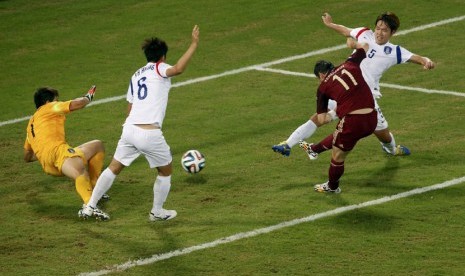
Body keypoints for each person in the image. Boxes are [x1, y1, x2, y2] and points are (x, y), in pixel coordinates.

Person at [272, 12, 435, 158]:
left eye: (384, 30)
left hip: (366, 98)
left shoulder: (394, 51)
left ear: (393, 32)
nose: (379, 32)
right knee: (320, 118)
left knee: (383, 134)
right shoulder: (365, 33)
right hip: (345, 91)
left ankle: (391, 150)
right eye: (378, 28)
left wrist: (426, 62)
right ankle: (288, 144)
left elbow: (417, 58)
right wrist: (330, 24)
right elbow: (346, 30)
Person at [80, 25, 200, 221]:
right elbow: (178, 69)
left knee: (114, 167)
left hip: (129, 129)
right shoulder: (160, 68)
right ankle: (157, 211)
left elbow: (130, 106)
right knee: (166, 170)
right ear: (163, 56)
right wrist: (194, 44)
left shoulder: (136, 75)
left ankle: (90, 206)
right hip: (149, 132)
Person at [24, 86, 109, 219]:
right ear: (48, 102)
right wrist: (88, 97)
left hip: (47, 164)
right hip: (58, 152)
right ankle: (90, 205)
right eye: (56, 100)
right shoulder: (49, 108)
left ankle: (94, 188)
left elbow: (27, 157)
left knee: (97, 146)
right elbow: (78, 103)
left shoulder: (31, 125)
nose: (58, 102)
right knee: (81, 172)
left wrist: (43, 153)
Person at [309, 43, 377, 193]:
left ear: (321, 75)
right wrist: (353, 43)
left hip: (353, 120)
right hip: (372, 118)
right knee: (339, 135)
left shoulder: (323, 87)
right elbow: (365, 46)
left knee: (338, 156)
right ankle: (314, 148)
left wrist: (334, 113)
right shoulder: (350, 63)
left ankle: (332, 187)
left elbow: (322, 120)